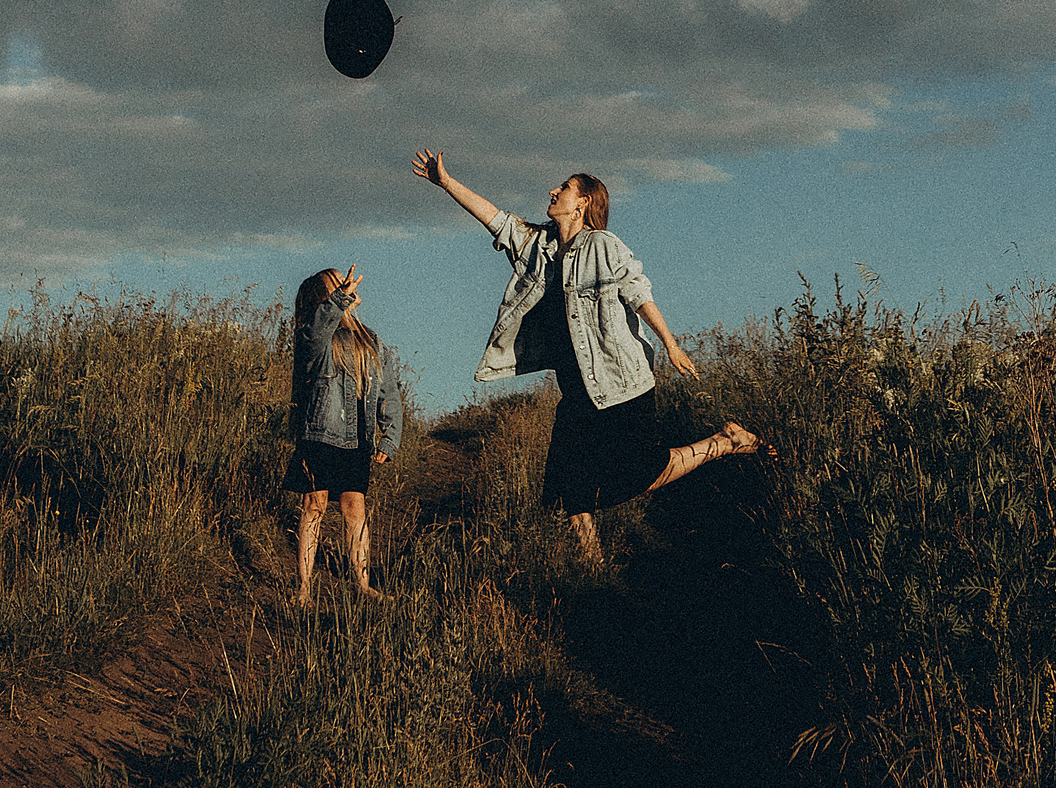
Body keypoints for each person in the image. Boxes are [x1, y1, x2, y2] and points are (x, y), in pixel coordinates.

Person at [410, 149, 770, 565]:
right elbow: (495, 218)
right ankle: (593, 569)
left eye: (563, 188)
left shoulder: (603, 245)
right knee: (567, 488)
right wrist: (446, 182)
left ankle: (724, 442)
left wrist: (670, 344)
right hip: (578, 389)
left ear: (582, 203)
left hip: (623, 384)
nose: (552, 191)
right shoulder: (539, 246)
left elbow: (638, 292)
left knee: (641, 474)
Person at [286, 265, 406, 603]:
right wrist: (339, 299)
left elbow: (389, 390)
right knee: (314, 506)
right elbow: (315, 333)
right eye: (338, 284)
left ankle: (362, 584)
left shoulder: (370, 339)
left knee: (355, 508)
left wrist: (391, 434)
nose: (347, 286)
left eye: (346, 283)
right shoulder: (313, 337)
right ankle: (304, 589)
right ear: (324, 297)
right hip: (320, 435)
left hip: (358, 439)